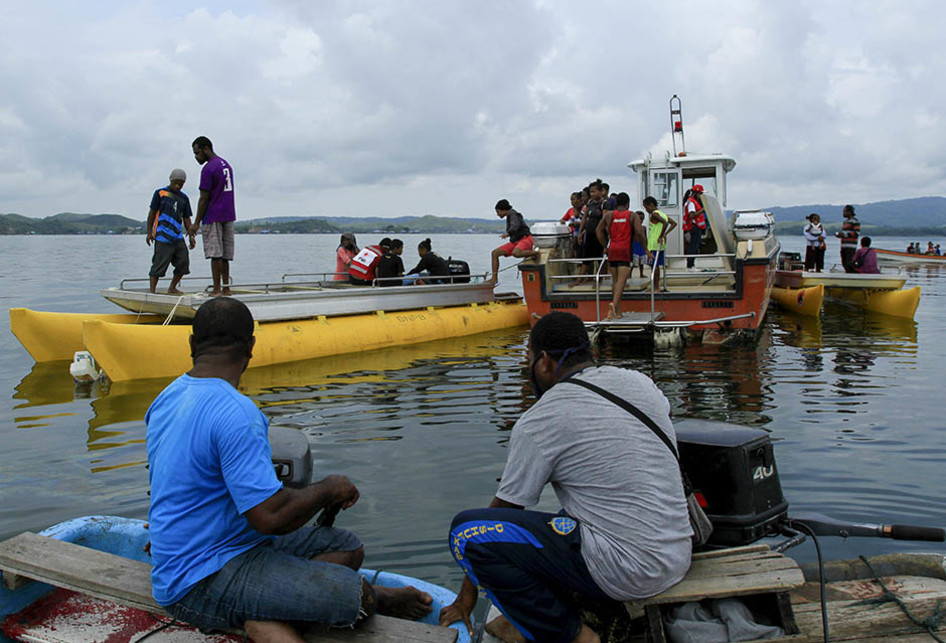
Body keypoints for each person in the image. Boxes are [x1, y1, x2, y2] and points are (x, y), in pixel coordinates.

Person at [145, 297, 433, 642]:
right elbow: (270, 518)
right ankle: (270, 609)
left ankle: (265, 607)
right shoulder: (238, 412)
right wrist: (328, 488)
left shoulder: (166, 397)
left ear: (192, 343)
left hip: (230, 545)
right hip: (196, 581)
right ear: (251, 347)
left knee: (347, 546)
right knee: (360, 598)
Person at [439, 312, 692, 643]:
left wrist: (465, 601)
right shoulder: (639, 383)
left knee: (467, 533)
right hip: (676, 553)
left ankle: (573, 636)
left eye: (528, 358)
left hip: (631, 572)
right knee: (562, 517)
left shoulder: (540, 420)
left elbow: (502, 514)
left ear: (544, 361)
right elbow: (664, 414)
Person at [188, 137, 236, 296]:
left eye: (197, 153)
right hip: (228, 214)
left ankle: (216, 290)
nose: (196, 157)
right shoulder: (225, 164)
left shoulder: (209, 169)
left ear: (206, 149)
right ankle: (226, 288)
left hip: (213, 214)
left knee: (216, 254)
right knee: (225, 255)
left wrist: (195, 223)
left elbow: (204, 198)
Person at [597, 192, 646, 320]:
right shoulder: (632, 215)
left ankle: (617, 312)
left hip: (612, 249)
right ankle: (613, 304)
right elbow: (639, 232)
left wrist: (605, 246)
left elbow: (598, 230)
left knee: (615, 281)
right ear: (628, 203)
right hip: (625, 250)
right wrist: (646, 249)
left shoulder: (609, 215)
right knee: (621, 281)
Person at [146, 168, 196, 294]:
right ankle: (152, 291)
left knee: (183, 262)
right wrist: (149, 232)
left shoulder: (184, 198)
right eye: (176, 183)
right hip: (162, 235)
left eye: (181, 184)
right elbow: (152, 214)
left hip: (177, 237)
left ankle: (172, 287)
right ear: (171, 180)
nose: (178, 186)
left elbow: (186, 218)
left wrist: (191, 236)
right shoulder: (160, 193)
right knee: (159, 264)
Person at [490, 199, 539, 283]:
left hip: (525, 238)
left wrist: (508, 233)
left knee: (516, 253)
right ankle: (494, 278)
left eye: (498, 212)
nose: (497, 214)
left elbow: (515, 225)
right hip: (516, 241)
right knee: (495, 253)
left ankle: (535, 253)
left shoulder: (513, 214)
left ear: (504, 210)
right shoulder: (509, 215)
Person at [643, 196, 676, 289]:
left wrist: (661, 235)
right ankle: (656, 286)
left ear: (651, 205)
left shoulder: (654, 214)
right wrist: (665, 234)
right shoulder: (662, 213)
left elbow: (665, 223)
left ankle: (656, 287)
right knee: (655, 265)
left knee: (653, 265)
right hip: (660, 244)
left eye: (646, 207)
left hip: (653, 244)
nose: (646, 210)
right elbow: (673, 223)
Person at [682, 185, 708, 269]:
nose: (701, 196)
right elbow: (691, 215)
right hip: (693, 227)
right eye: (700, 193)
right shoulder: (691, 202)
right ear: (696, 193)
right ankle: (690, 265)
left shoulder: (692, 201)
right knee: (693, 246)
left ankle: (691, 264)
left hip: (696, 227)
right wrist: (703, 210)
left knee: (695, 246)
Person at [835, 204, 860, 273]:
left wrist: (844, 234)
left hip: (851, 246)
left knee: (849, 263)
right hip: (844, 245)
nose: (843, 213)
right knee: (844, 262)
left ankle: (852, 275)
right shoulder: (845, 222)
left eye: (844, 211)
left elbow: (856, 233)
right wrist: (840, 235)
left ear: (849, 212)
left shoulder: (855, 221)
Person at [632, 211, 648, 278]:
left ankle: (641, 273)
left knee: (642, 261)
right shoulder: (633, 227)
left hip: (641, 245)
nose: (641, 221)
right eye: (639, 219)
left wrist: (646, 246)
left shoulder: (643, 228)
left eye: (642, 219)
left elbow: (645, 237)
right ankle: (629, 274)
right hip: (635, 245)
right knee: (633, 261)